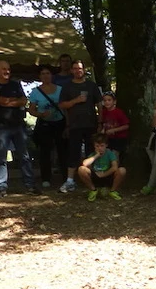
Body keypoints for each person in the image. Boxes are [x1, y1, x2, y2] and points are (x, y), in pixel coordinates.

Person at [0, 59, 37, 198]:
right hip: (1, 127)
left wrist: (6, 101)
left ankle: (30, 185)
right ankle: (1, 188)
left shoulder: (15, 84)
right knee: (1, 158)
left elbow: (24, 101)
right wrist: (14, 101)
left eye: (8, 69)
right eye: (3, 69)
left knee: (24, 156)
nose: (7, 71)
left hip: (18, 126)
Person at [58, 60, 101, 194]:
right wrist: (75, 101)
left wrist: (100, 122)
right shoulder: (67, 86)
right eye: (75, 68)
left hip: (91, 124)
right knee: (73, 153)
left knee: (91, 152)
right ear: (72, 70)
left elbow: (99, 104)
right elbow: (62, 105)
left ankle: (91, 179)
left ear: (84, 70)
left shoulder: (91, 85)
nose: (78, 71)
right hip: (74, 125)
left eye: (80, 68)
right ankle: (70, 181)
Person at [28, 64, 67, 189]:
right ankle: (46, 178)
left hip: (60, 122)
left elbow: (66, 107)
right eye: (43, 74)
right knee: (45, 151)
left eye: (48, 73)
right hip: (44, 124)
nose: (45, 76)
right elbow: (31, 110)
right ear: (39, 76)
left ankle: (66, 177)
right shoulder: (35, 92)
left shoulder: (61, 90)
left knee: (62, 151)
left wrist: (68, 124)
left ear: (52, 75)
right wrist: (40, 114)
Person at [77, 133, 125, 201]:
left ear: (106, 145)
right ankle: (93, 190)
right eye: (97, 146)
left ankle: (112, 191)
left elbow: (115, 167)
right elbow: (84, 163)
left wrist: (103, 174)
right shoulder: (93, 154)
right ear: (94, 146)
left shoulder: (110, 153)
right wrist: (96, 156)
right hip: (95, 176)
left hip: (107, 175)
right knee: (81, 169)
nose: (100, 148)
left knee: (122, 170)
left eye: (102, 146)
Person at [98, 92, 130, 162]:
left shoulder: (119, 112)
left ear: (114, 101)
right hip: (108, 138)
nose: (107, 102)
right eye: (105, 100)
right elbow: (104, 123)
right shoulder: (104, 112)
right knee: (107, 154)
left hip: (119, 139)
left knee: (114, 156)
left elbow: (126, 126)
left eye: (109, 100)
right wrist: (103, 130)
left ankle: (115, 167)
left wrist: (114, 130)